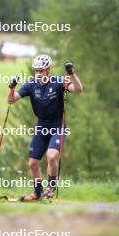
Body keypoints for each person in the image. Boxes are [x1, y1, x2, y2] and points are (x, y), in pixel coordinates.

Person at [8, 55, 83, 201]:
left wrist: (71, 73)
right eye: (36, 71)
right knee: (33, 163)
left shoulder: (58, 82)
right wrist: (11, 88)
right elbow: (11, 100)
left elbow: (78, 89)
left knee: (52, 155)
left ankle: (50, 189)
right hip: (42, 127)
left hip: (58, 127)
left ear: (48, 71)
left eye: (41, 71)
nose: (38, 74)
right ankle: (37, 193)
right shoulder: (31, 85)